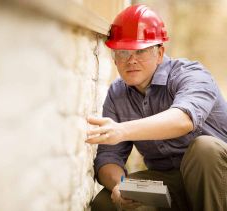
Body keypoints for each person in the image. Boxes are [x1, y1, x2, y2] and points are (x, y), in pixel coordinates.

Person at [85, 4, 227, 211]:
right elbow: (109, 157)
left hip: (218, 178)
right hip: (171, 180)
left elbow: (183, 119)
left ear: (160, 53)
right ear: (115, 58)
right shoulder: (117, 94)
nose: (131, 60)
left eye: (141, 51)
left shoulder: (191, 75)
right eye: (123, 51)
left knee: (204, 148)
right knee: (105, 203)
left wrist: (121, 130)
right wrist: (121, 186)